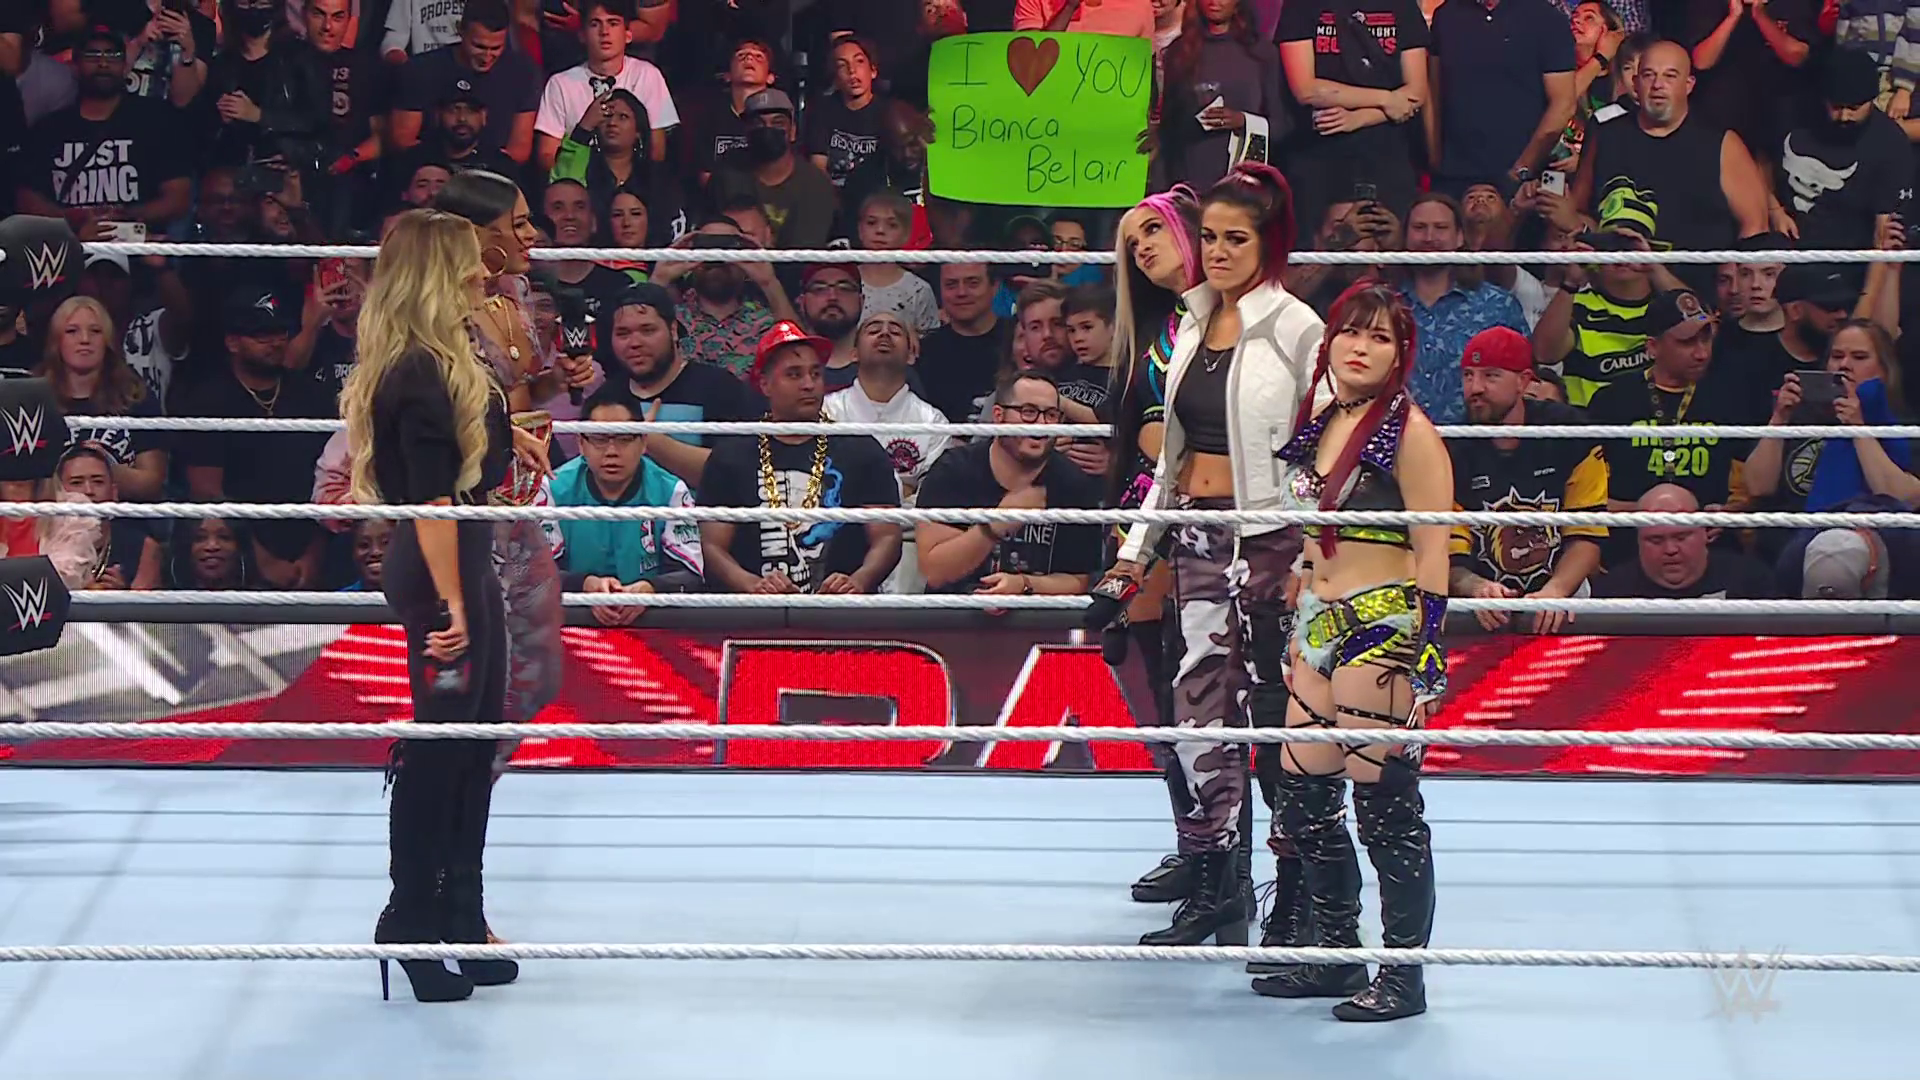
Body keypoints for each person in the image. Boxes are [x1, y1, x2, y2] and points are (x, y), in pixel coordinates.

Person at [1090, 163, 1329, 950]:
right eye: (1214, 238)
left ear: (1268, 244)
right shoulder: (1190, 326)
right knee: (1197, 716)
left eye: (1236, 239)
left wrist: (1311, 549)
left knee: (1277, 720)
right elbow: (1169, 461)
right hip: (1194, 534)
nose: (1220, 253)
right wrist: (1134, 555)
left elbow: (1326, 448)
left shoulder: (1297, 327)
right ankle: (1219, 883)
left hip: (1269, 541)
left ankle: (1297, 890)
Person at [339, 208, 534, 1003]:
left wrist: (513, 439)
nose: (484, 271)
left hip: (465, 553)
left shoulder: (449, 356)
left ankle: (461, 913)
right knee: (444, 744)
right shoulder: (416, 371)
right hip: (438, 562)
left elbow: (461, 469)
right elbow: (430, 500)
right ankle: (410, 918)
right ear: (436, 271)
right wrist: (453, 605)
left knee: (476, 743)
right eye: (469, 260)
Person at [1259, 282, 1453, 1022]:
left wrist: (1428, 649)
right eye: (1351, 331)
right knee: (1304, 799)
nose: (1361, 347)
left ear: (1401, 353)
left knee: (1385, 807)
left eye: (1379, 337)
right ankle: (1337, 955)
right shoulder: (1322, 420)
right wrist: (1301, 598)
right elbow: (1312, 533)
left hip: (1384, 626)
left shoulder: (1411, 433)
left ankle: (1403, 977)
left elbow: (1434, 550)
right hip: (1319, 624)